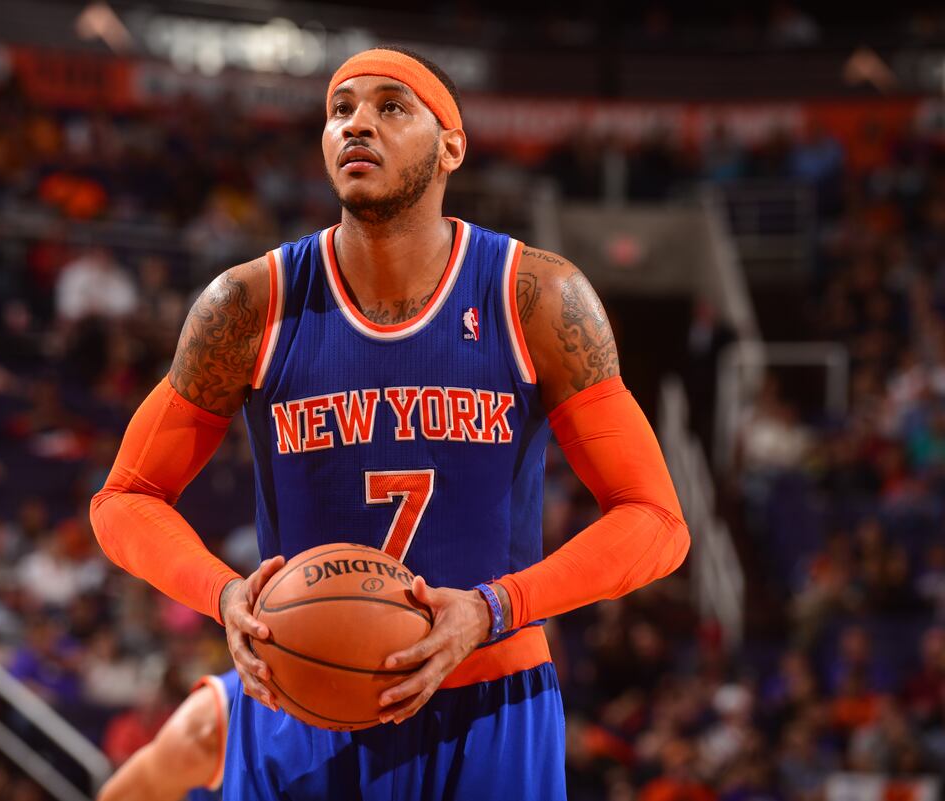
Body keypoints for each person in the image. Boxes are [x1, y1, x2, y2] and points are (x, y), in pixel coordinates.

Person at [91, 45, 690, 799]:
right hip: (303, 696)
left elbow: (657, 522)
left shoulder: (534, 296)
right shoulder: (249, 306)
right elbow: (124, 499)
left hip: (489, 700)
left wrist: (494, 608)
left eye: (391, 106)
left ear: (451, 148)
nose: (357, 124)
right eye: (340, 109)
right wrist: (222, 593)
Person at [98, 671, 239, 801]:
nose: (151, 703)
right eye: (147, 697)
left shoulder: (167, 720)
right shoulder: (206, 725)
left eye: (155, 697)